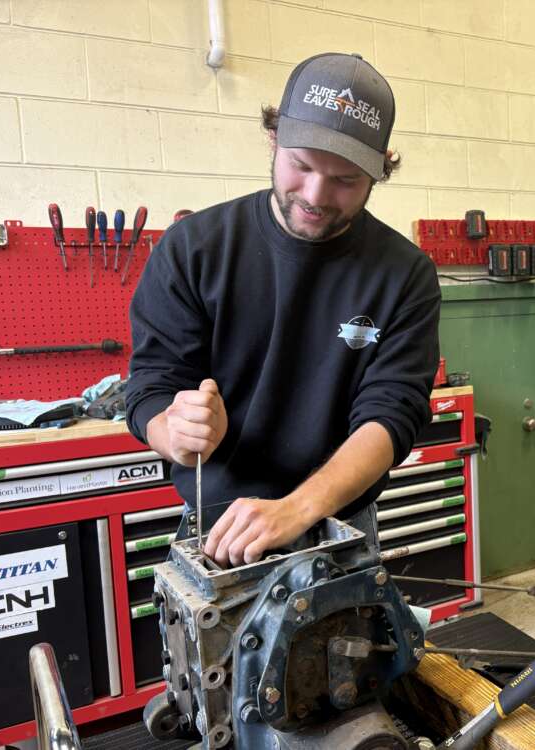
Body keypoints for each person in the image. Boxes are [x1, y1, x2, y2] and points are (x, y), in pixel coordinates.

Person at [125, 52, 441, 568]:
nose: (316, 195)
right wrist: (174, 431)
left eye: (345, 180)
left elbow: (392, 413)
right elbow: (151, 386)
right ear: (274, 138)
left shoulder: (405, 274)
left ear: (378, 170)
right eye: (302, 166)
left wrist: (298, 509)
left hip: (338, 524)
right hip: (216, 529)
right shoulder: (193, 249)